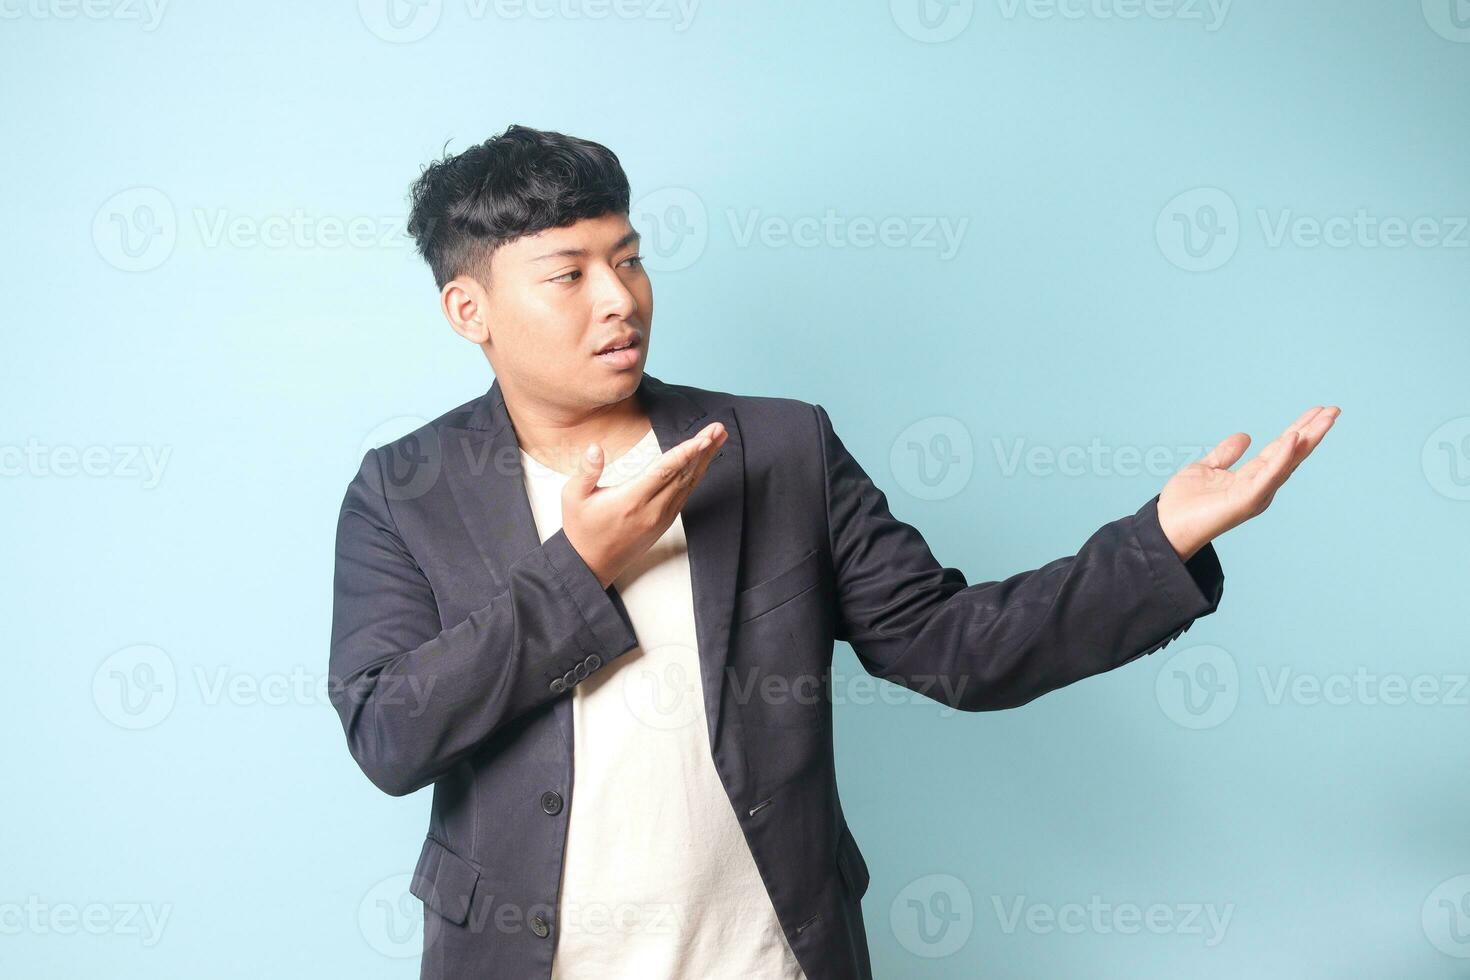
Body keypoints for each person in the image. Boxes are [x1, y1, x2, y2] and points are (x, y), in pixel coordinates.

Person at [328, 123, 1338, 980]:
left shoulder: (779, 448)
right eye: (569, 273)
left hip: (769, 954)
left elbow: (955, 645)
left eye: (628, 257)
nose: (619, 298)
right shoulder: (403, 491)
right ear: (471, 312)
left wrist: (1160, 538)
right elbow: (390, 734)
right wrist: (576, 572)